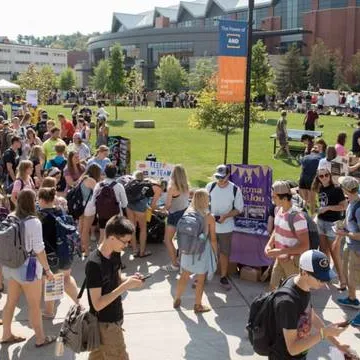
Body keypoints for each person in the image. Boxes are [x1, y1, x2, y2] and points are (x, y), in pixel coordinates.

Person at [269, 249, 351, 360]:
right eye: (320, 279)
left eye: (326, 278)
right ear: (304, 273)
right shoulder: (288, 302)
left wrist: (338, 344)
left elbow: (311, 315)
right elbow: (293, 349)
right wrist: (323, 333)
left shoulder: (303, 286)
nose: (324, 283)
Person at [1, 189, 56, 347]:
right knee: (34, 305)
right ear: (33, 202)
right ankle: (40, 338)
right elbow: (39, 249)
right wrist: (47, 270)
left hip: (11, 266)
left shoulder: (11, 216)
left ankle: (6, 334)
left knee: (10, 303)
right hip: (28, 269)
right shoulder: (34, 221)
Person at [86, 215, 144, 360]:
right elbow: (97, 304)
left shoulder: (115, 253)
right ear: (112, 238)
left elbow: (117, 279)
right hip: (104, 323)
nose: (126, 246)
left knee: (97, 357)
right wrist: (125, 287)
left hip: (116, 316)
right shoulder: (94, 264)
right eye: (124, 242)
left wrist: (130, 280)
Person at [37, 187, 80, 319]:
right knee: (66, 278)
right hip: (66, 252)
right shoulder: (61, 210)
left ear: (41, 200)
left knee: (51, 282)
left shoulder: (40, 217)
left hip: (51, 256)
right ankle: (79, 304)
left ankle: (49, 312)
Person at [173, 189, 217, 313]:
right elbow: (213, 238)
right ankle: (198, 305)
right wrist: (215, 253)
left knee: (184, 275)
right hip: (201, 251)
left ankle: (177, 298)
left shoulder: (188, 211)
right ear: (206, 200)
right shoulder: (209, 217)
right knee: (200, 279)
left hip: (187, 250)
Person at [265, 181, 309, 290]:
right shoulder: (278, 209)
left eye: (274, 197)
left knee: (293, 292)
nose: (272, 199)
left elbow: (305, 246)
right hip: (280, 258)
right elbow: (277, 229)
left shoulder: (297, 217)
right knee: (273, 288)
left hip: (292, 262)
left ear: (284, 198)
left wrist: (281, 251)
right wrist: (269, 245)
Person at [205, 165, 244, 290]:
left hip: (226, 228)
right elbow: (203, 204)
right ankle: (203, 275)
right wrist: (209, 215)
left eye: (222, 177)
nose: (220, 180)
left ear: (228, 176)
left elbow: (239, 209)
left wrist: (226, 216)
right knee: (207, 251)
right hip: (210, 225)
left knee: (224, 253)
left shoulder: (235, 189)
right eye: (218, 177)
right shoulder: (210, 186)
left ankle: (223, 277)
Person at [311, 168, 347, 289]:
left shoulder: (336, 189)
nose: (324, 177)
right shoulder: (320, 188)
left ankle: (342, 281)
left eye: (326, 175)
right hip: (321, 222)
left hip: (333, 224)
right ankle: (325, 276)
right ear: (318, 178)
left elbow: (343, 206)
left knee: (334, 253)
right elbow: (320, 204)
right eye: (321, 176)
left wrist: (328, 208)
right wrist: (317, 212)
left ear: (330, 175)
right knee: (323, 251)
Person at [336, 176, 360, 327]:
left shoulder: (359, 209)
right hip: (350, 245)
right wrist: (343, 228)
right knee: (348, 276)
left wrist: (344, 234)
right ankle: (352, 299)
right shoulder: (352, 201)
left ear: (346, 190)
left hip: (357, 250)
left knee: (357, 280)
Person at [87, 163, 128, 244]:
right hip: (116, 214)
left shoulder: (99, 185)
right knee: (115, 236)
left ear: (105, 173)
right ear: (115, 173)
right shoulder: (119, 186)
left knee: (102, 236)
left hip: (102, 214)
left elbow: (93, 200)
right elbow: (125, 204)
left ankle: (100, 254)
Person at [161, 165, 190, 272]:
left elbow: (168, 205)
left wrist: (162, 209)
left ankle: (174, 264)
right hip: (185, 214)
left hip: (174, 215)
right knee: (182, 241)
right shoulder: (186, 185)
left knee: (167, 240)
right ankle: (182, 263)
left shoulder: (171, 187)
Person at [127, 171, 161, 258]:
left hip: (129, 205)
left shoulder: (133, 183)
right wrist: (158, 210)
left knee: (132, 227)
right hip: (140, 207)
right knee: (143, 229)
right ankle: (142, 252)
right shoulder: (156, 188)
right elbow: (153, 206)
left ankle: (134, 251)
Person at [80, 164, 102, 256]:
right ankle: (87, 252)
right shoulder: (92, 180)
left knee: (82, 228)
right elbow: (98, 192)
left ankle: (82, 247)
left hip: (81, 205)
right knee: (86, 229)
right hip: (89, 206)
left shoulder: (83, 178)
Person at [299, 147, 322, 213]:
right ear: (318, 153)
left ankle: (302, 214)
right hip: (311, 179)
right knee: (312, 200)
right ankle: (312, 216)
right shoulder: (320, 158)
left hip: (303, 179)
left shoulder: (305, 157)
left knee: (304, 200)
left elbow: (302, 169)